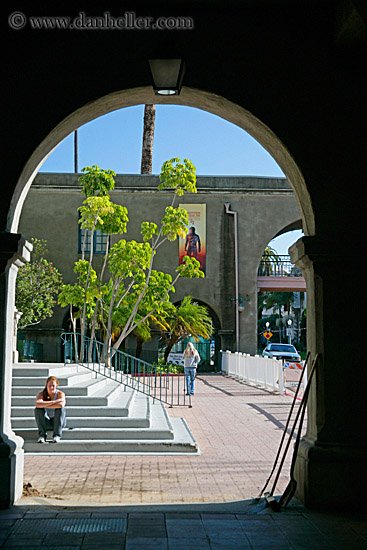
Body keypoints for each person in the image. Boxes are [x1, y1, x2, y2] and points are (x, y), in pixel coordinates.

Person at [34, 376, 66, 443]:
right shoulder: (41, 394)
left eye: (53, 386)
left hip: (58, 422)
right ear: (46, 385)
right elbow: (37, 404)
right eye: (49, 385)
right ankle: (42, 435)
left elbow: (61, 405)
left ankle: (57, 435)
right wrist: (54, 402)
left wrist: (44, 403)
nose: (51, 388)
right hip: (47, 422)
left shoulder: (60, 394)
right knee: (38, 409)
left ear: (56, 385)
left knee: (61, 409)